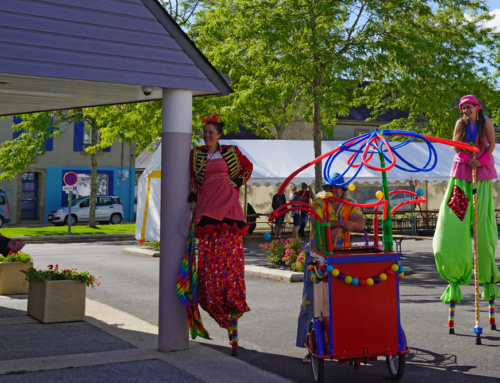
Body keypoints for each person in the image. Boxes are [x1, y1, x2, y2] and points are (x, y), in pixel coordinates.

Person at [188, 111, 253, 355]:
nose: (206, 135)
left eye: (210, 132)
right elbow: (192, 180)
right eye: (204, 132)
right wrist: (192, 198)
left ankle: (233, 329)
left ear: (219, 135)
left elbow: (247, 168)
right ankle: (222, 317)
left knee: (230, 270)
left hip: (229, 210)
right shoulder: (196, 155)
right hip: (206, 211)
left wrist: (237, 181)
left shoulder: (232, 152)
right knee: (208, 272)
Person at [434, 95, 500, 306]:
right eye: (463, 108)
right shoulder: (459, 123)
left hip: (480, 174)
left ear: (477, 107)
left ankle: (487, 277)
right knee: (456, 217)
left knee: (481, 221)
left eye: (469, 107)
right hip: (461, 174)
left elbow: (490, 145)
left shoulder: (486, 122)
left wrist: (479, 161)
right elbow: (455, 145)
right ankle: (455, 273)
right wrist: (466, 159)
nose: (465, 111)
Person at [296, 173, 365, 363]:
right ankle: (309, 347)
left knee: (343, 302)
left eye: (337, 187)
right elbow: (315, 221)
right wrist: (342, 223)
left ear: (343, 190)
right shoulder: (318, 203)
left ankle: (346, 345)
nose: (333, 190)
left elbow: (360, 223)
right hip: (316, 257)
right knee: (310, 300)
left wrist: (340, 229)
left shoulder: (350, 204)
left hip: (341, 258)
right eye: (330, 187)